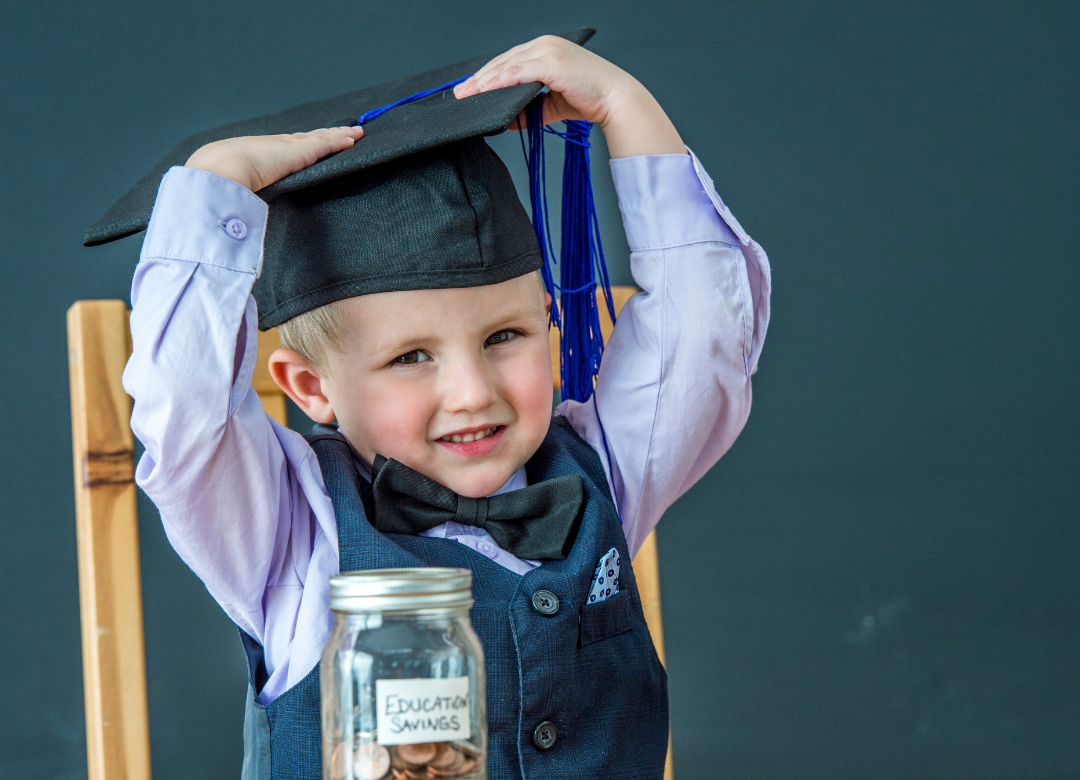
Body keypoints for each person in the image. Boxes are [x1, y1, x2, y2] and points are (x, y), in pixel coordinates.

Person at [101, 32, 770, 780]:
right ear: (312, 389)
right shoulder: (286, 531)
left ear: (549, 321)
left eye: (506, 335)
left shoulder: (600, 476)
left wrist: (625, 108)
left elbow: (705, 337)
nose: (473, 391)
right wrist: (213, 190)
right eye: (411, 357)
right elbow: (184, 417)